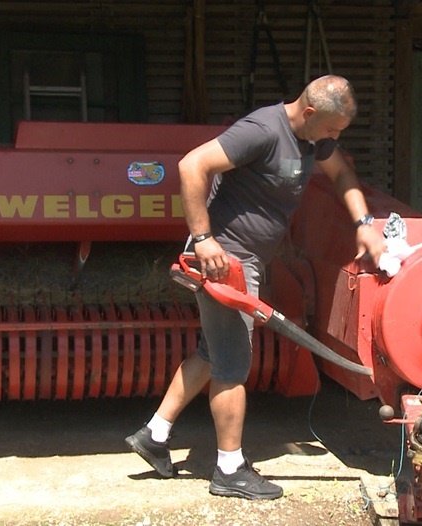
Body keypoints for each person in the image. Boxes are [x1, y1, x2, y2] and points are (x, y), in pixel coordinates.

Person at [125, 74, 386, 500]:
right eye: (333, 129)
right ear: (309, 112)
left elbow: (342, 175)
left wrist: (365, 224)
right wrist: (205, 238)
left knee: (213, 353)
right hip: (223, 258)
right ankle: (229, 470)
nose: (334, 139)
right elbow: (192, 165)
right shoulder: (263, 131)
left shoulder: (313, 139)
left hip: (246, 258)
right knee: (232, 365)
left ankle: (154, 434)